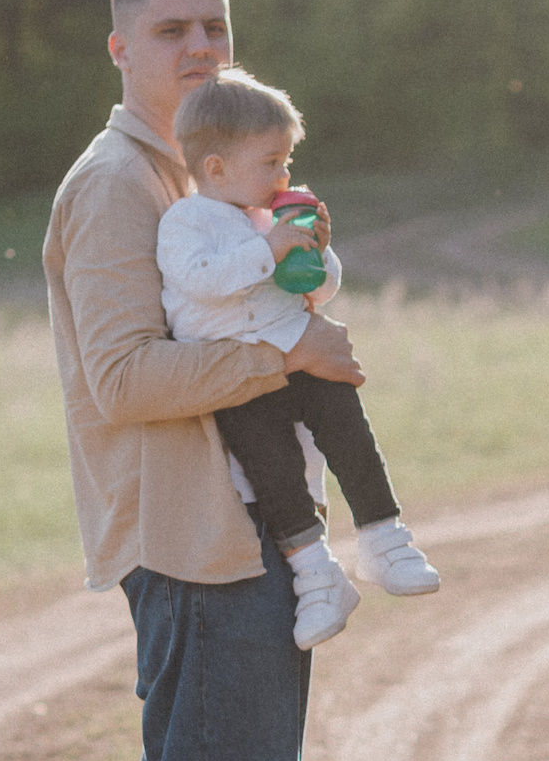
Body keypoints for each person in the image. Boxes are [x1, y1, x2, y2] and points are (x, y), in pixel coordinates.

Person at [44, 0, 360, 761]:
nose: (199, 46)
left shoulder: (207, 169)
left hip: (228, 531)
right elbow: (121, 377)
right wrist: (292, 354)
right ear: (121, 47)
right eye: (170, 28)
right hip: (195, 544)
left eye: (214, 24)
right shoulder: (117, 185)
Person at [159, 66, 441, 651]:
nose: (284, 174)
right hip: (238, 374)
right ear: (216, 168)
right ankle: (317, 575)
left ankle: (385, 539)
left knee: (349, 432)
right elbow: (200, 282)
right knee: (273, 470)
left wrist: (319, 253)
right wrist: (268, 248)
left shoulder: (269, 217)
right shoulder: (186, 222)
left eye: (286, 160)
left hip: (302, 353)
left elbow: (316, 291)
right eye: (271, 162)